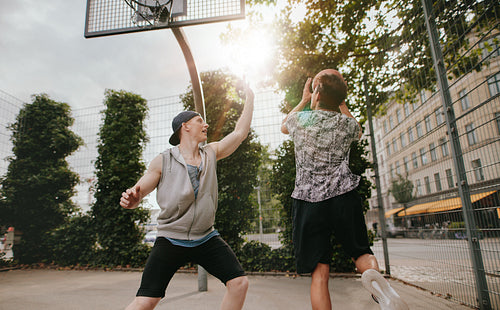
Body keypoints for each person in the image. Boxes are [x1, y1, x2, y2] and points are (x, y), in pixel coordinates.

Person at [281, 69, 408, 310]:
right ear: (340, 98)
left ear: (317, 90)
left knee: (320, 273)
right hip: (343, 197)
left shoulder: (299, 120)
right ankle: (383, 290)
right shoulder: (347, 124)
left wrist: (304, 100)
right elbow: (358, 130)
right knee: (361, 253)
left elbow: (284, 127)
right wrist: (341, 102)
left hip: (309, 201)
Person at [120, 84, 254, 310]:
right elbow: (139, 191)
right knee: (146, 301)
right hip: (171, 238)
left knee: (239, 283)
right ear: (186, 126)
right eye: (201, 121)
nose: (206, 125)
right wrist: (133, 199)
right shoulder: (163, 160)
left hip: (205, 237)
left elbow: (240, 133)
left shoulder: (211, 152)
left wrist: (250, 97)